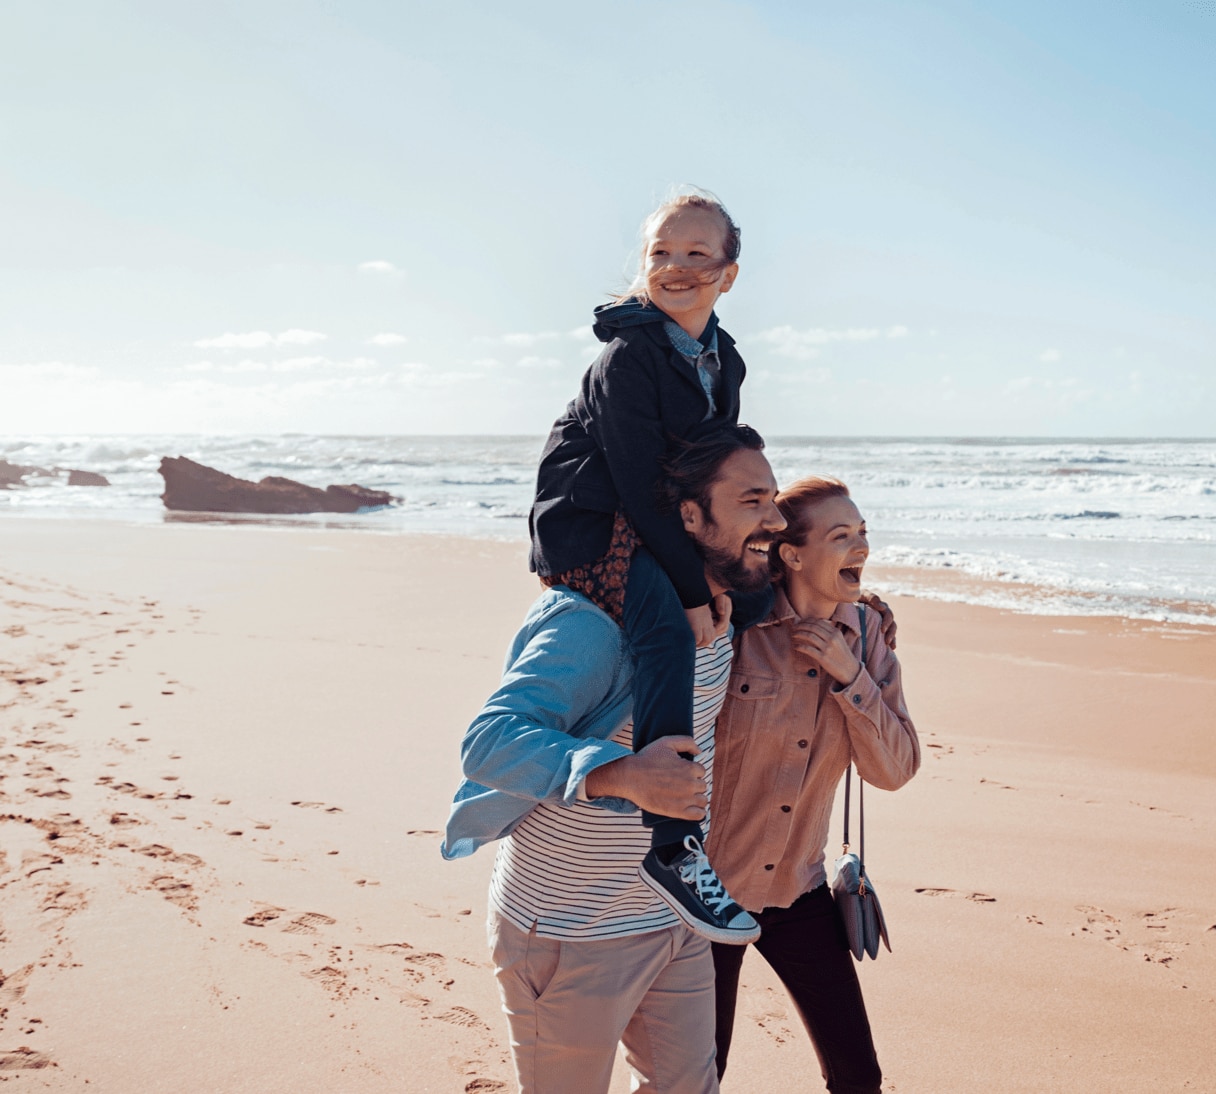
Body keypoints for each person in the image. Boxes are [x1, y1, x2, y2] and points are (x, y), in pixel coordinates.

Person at [443, 426, 785, 1094]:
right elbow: (488, 741)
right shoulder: (592, 623)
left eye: (774, 499)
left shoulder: (721, 608)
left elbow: (804, 585)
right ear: (690, 515)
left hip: (669, 918)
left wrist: (862, 616)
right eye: (752, 501)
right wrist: (621, 773)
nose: (773, 519)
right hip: (570, 931)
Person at [527, 190, 756, 941]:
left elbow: (711, 470)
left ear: (728, 271)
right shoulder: (629, 355)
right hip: (593, 522)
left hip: (657, 512)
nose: (677, 267)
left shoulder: (727, 360)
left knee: (761, 592)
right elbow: (630, 480)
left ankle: (747, 792)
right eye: (662, 252)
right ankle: (673, 845)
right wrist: (693, 589)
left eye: (697, 254)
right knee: (665, 623)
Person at [705, 477, 921, 1093]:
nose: (860, 548)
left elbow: (896, 769)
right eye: (841, 536)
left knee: (858, 1077)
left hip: (798, 889)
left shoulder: (869, 635)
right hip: (708, 896)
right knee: (698, 1075)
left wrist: (850, 673)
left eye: (863, 534)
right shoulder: (733, 628)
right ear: (792, 554)